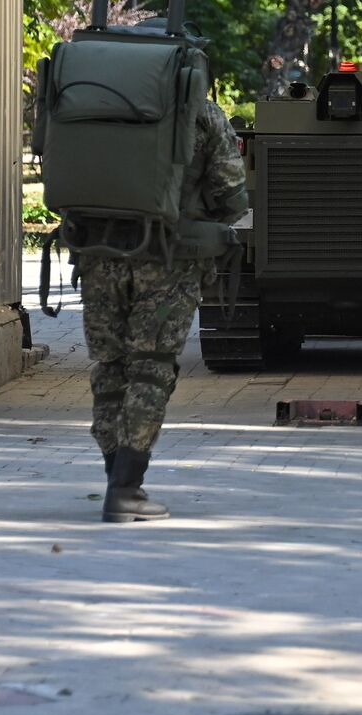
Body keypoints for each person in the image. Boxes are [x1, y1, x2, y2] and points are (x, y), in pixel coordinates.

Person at [79, 36, 248, 522]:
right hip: (168, 261)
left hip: (98, 253)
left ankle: (116, 475)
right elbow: (232, 197)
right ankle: (126, 489)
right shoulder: (201, 111)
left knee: (108, 368)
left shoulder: (91, 100)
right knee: (150, 368)